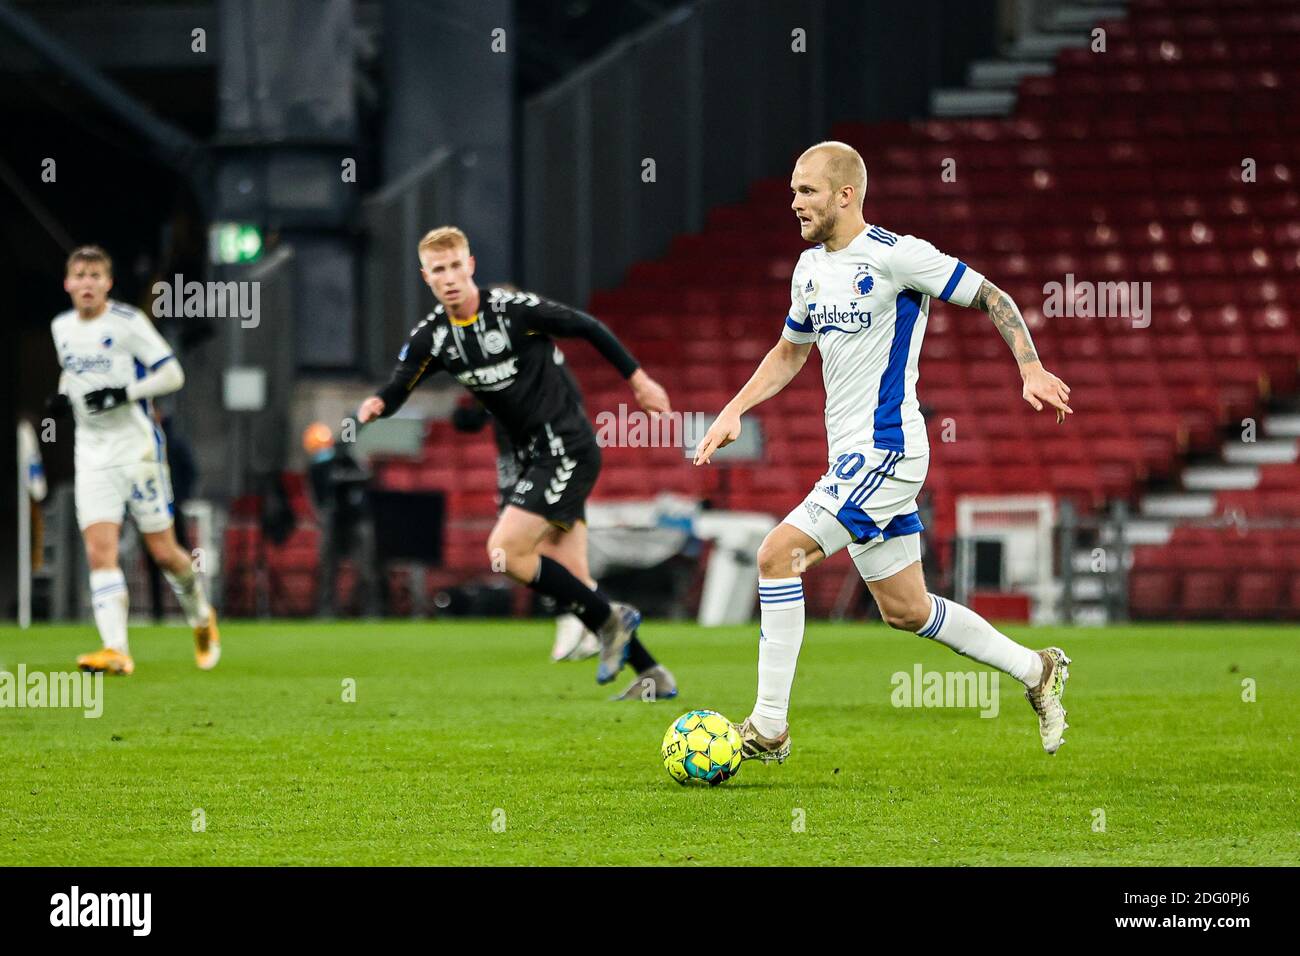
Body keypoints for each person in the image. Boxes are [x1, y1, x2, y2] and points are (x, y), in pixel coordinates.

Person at [694, 142, 1074, 761]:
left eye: (808, 191)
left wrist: (1030, 368)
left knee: (776, 554)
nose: (795, 203)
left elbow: (993, 297)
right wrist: (736, 407)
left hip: (886, 451)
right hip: (850, 455)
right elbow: (791, 349)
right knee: (907, 610)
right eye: (793, 191)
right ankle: (1036, 669)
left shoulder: (900, 257)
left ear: (846, 194)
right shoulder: (809, 268)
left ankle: (768, 727)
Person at [358, 226, 676, 699]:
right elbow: (403, 381)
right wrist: (379, 404)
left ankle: (613, 618)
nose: (448, 278)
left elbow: (587, 326)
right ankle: (651, 674)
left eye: (455, 266)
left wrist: (639, 380)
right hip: (534, 460)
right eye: (438, 270)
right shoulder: (435, 336)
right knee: (575, 582)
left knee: (504, 550)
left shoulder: (514, 312)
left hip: (566, 448)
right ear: (427, 277)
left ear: (471, 266)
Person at [47, 245, 219, 675]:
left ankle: (200, 615)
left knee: (164, 553)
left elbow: (172, 373)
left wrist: (123, 394)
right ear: (68, 283)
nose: (87, 283)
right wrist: (63, 396)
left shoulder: (128, 323)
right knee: (99, 552)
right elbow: (72, 372)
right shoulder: (61, 327)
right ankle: (116, 649)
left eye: (95, 276)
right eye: (80, 276)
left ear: (108, 283)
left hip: (136, 450)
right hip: (91, 453)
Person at [450, 352, 600, 664]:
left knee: (553, 546)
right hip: (514, 463)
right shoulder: (490, 368)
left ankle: (575, 619)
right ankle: (591, 620)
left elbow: (574, 401)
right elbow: (473, 418)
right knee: (525, 550)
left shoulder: (539, 355)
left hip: (552, 461)